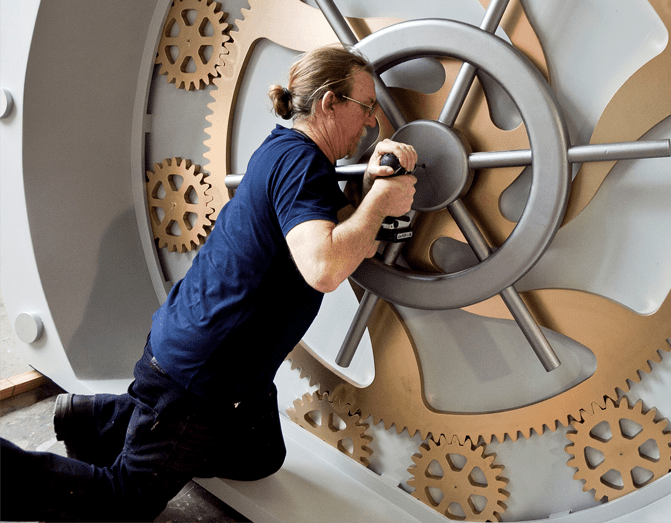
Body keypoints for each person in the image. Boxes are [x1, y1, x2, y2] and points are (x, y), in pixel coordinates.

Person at [0, 45, 417, 522]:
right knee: (122, 502)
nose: (371, 121)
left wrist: (371, 188)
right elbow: (324, 266)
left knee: (262, 457)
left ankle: (100, 417)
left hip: (216, 359)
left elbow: (333, 230)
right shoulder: (303, 167)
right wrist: (381, 198)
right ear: (328, 102)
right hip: (203, 376)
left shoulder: (284, 149)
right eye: (365, 107)